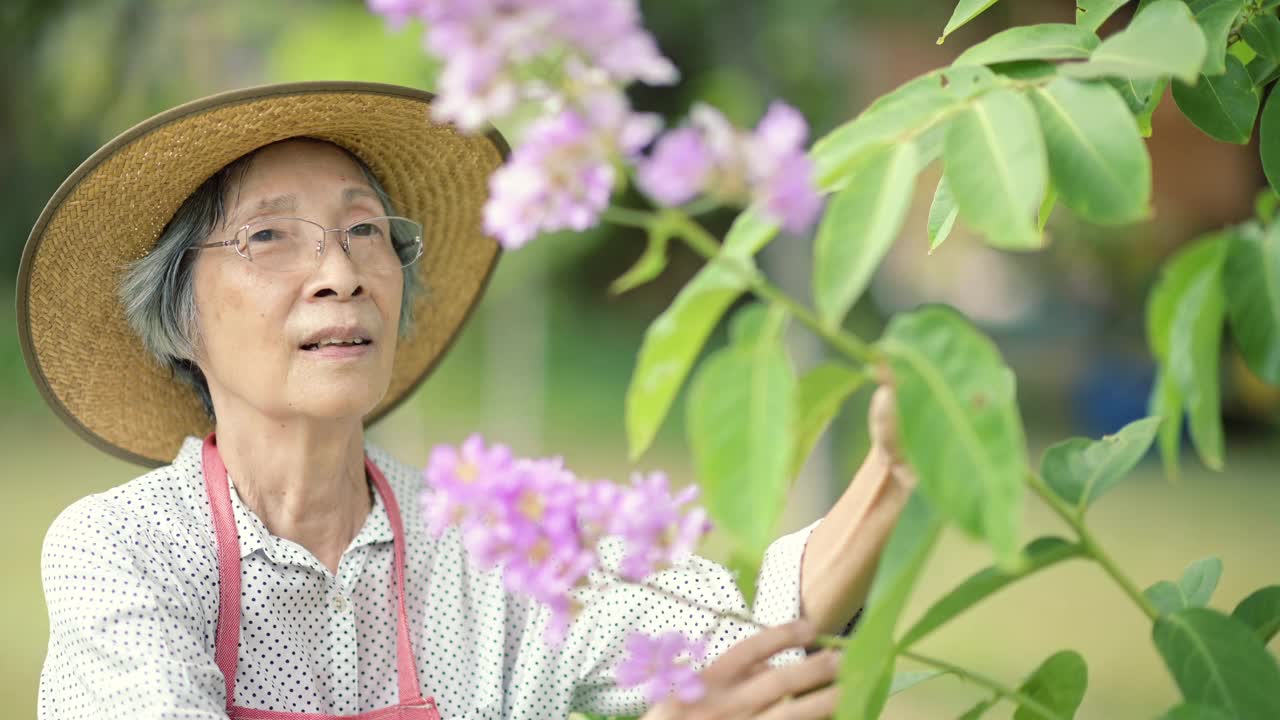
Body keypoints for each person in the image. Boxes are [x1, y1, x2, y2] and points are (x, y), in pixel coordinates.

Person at [20, 82, 915, 720]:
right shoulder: (123, 552)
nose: (340, 274)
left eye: (365, 229)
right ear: (180, 319)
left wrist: (893, 471)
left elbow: (739, 646)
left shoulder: (488, 539)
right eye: (268, 237)